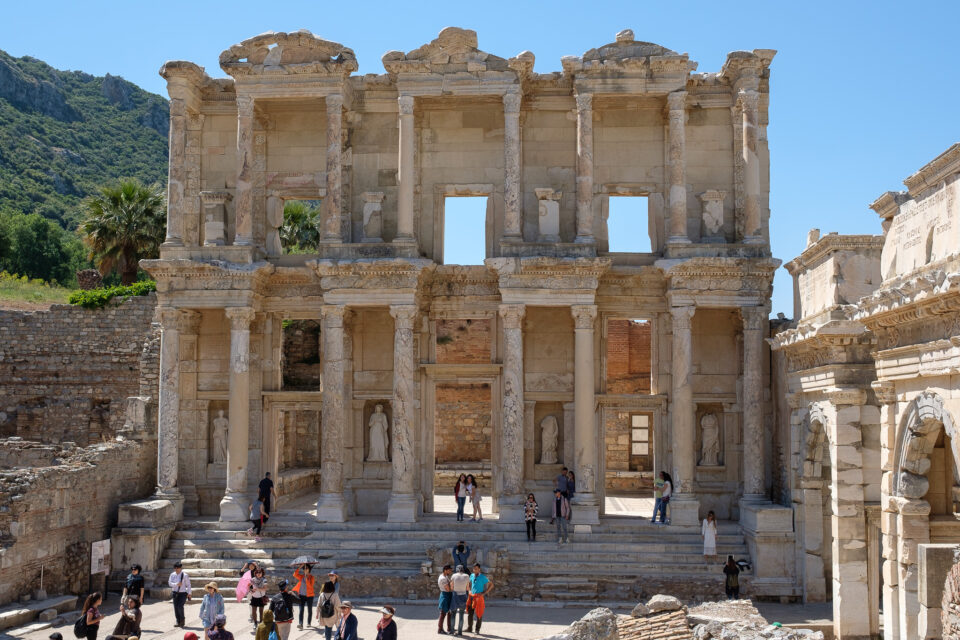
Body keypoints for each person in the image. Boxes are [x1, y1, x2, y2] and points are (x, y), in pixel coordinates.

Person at [466, 564, 493, 635]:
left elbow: (491, 585)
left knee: (479, 613)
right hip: (472, 596)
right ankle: (469, 628)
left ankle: (477, 630)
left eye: (476, 569)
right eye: (474, 569)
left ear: (479, 569)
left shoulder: (482, 577)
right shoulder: (471, 575)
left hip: (479, 597)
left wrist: (485, 593)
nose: (474, 570)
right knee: (470, 613)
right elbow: (468, 583)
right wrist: (469, 590)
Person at [169, 560, 192, 628]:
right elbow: (169, 583)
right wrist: (176, 584)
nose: (176, 569)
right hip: (175, 593)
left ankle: (182, 620)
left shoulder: (185, 575)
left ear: (180, 568)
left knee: (180, 606)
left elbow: (188, 585)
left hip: (183, 593)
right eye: (175, 568)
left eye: (177, 568)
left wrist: (189, 593)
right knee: (175, 607)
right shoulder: (172, 574)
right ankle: (178, 621)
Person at [292, 564, 316, 629]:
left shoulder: (312, 577)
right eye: (304, 569)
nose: (305, 570)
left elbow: (311, 586)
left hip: (310, 596)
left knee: (309, 610)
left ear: (309, 570)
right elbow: (294, 574)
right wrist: (300, 567)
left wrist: (306, 580)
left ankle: (308, 622)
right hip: (301, 595)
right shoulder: (301, 576)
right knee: (301, 610)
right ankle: (300, 623)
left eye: (306, 569)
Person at [450, 565, 470, 637]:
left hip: (455, 595)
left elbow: (451, 587)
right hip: (463, 595)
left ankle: (452, 631)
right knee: (461, 615)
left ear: (457, 569)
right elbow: (467, 588)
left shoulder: (453, 575)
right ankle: (459, 632)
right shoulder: (467, 576)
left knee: (453, 614)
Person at [437, 564, 453, 635]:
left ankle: (449, 628)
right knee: (443, 614)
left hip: (447, 596)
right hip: (445, 596)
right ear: (445, 570)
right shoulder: (443, 578)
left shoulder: (445, 576)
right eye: (449, 570)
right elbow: (448, 589)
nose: (450, 571)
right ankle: (440, 629)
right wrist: (452, 587)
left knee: (449, 613)